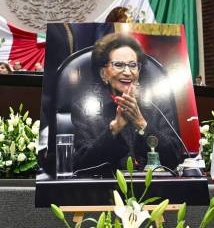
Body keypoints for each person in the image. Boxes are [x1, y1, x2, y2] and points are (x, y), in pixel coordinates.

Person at [71, 33, 183, 172]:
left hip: (154, 188)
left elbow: (174, 157)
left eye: (133, 65)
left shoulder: (158, 105)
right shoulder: (84, 109)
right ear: (103, 74)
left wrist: (141, 123)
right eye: (118, 65)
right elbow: (80, 165)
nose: (127, 72)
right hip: (106, 190)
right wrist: (114, 130)